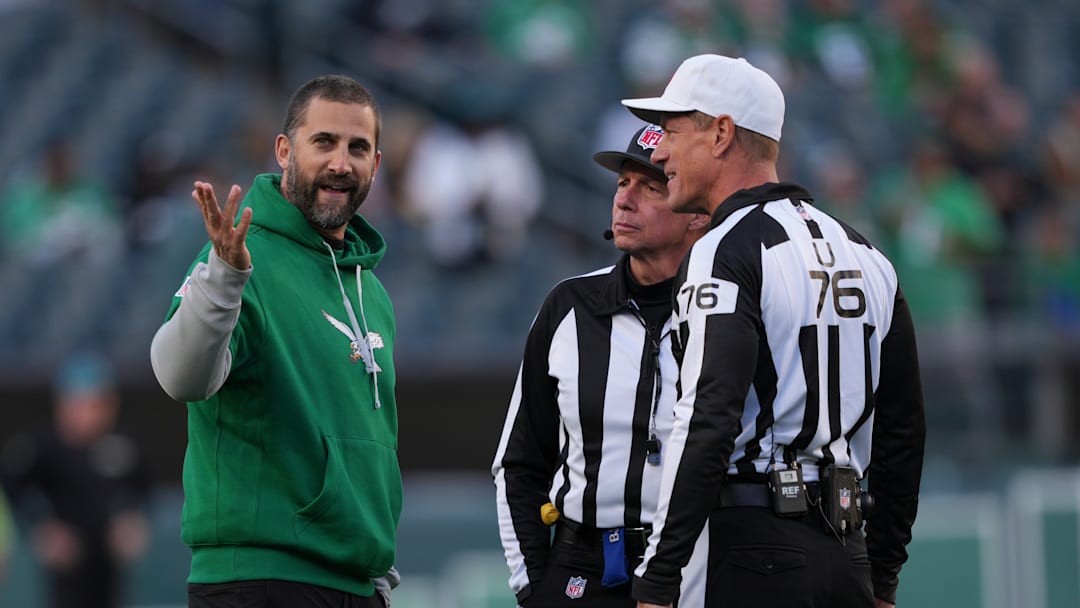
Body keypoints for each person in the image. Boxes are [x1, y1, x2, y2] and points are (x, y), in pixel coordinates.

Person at [619, 55, 926, 608]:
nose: (658, 151)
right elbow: (902, 432)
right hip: (847, 553)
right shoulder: (868, 254)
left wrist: (660, 577)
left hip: (757, 551)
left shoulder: (723, 250)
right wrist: (881, 576)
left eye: (670, 132)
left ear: (721, 133)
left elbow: (709, 417)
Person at [149, 74, 401, 607]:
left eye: (358, 148)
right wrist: (223, 277)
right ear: (284, 150)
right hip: (261, 581)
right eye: (324, 142)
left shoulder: (370, 288)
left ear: (376, 165)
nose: (340, 163)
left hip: (355, 582)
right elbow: (179, 376)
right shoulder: (238, 256)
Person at [492, 124, 711, 607]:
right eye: (622, 184)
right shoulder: (568, 307)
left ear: (697, 216)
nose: (625, 201)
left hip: (692, 570)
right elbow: (519, 461)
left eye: (652, 187)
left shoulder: (724, 312)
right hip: (582, 568)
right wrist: (533, 586)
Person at [0, 353, 150, 608]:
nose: (89, 414)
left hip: (108, 562)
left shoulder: (121, 444)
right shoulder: (42, 447)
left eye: (99, 404)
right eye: (81, 404)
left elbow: (143, 487)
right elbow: (12, 487)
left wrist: (132, 519)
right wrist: (41, 529)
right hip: (66, 565)